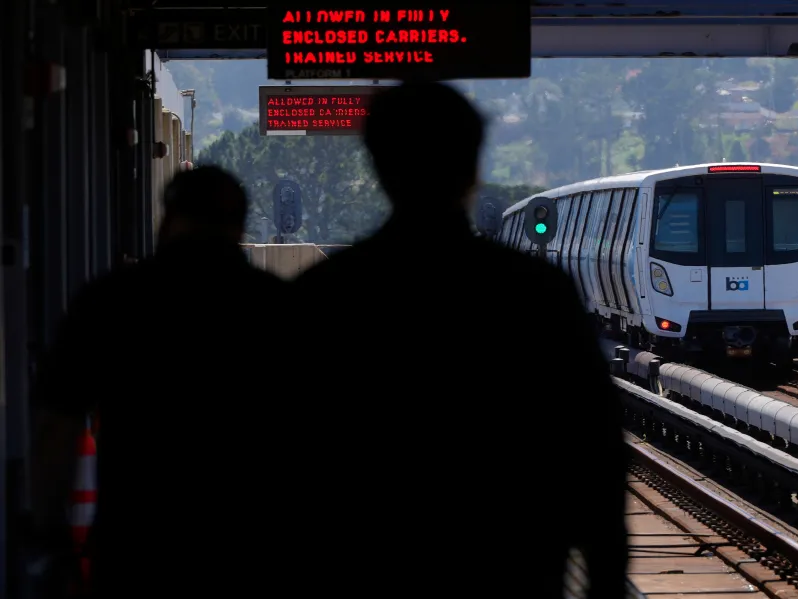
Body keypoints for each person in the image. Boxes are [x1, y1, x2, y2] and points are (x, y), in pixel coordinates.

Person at [295, 81, 627, 599]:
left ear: (379, 167)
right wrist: (604, 582)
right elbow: (595, 454)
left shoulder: (321, 298)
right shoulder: (539, 293)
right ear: (474, 169)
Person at [30, 166, 290, 597]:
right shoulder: (277, 308)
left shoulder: (111, 302)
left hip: (137, 552)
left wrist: (53, 543)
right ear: (239, 227)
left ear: (168, 218)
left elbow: (55, 431)